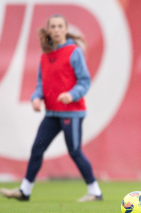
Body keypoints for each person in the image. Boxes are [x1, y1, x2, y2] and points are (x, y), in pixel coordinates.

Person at [0, 15, 102, 202]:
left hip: (72, 112)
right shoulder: (46, 55)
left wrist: (71, 95)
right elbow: (41, 83)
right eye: (52, 26)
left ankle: (95, 191)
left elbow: (85, 81)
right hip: (52, 113)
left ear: (65, 29)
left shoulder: (74, 52)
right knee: (37, 148)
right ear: (48, 30)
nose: (56, 29)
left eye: (59, 26)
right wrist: (36, 98)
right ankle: (25, 191)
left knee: (75, 151)